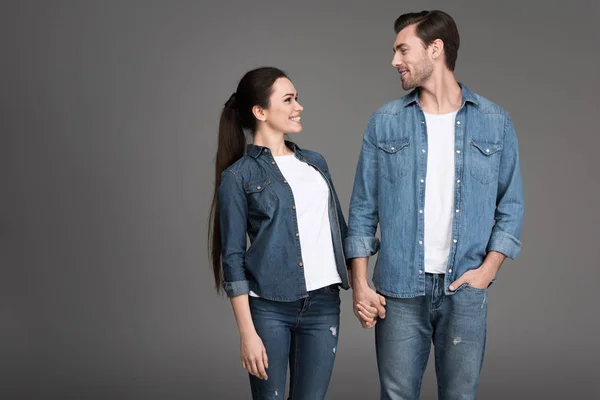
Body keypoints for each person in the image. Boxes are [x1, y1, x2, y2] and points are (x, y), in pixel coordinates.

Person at [345, 10, 524, 399]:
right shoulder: (384, 123)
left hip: (464, 289)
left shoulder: (495, 122)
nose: (395, 61)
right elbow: (361, 211)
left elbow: (510, 207)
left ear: (436, 49)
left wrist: (486, 271)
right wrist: (359, 283)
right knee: (396, 395)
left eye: (402, 50)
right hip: (399, 291)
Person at [208, 67, 350, 400]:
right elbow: (232, 258)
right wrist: (247, 333)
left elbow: (340, 235)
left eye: (296, 98)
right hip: (268, 309)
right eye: (288, 100)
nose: (298, 106)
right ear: (260, 112)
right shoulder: (238, 177)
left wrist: (362, 287)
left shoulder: (316, 164)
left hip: (324, 305)